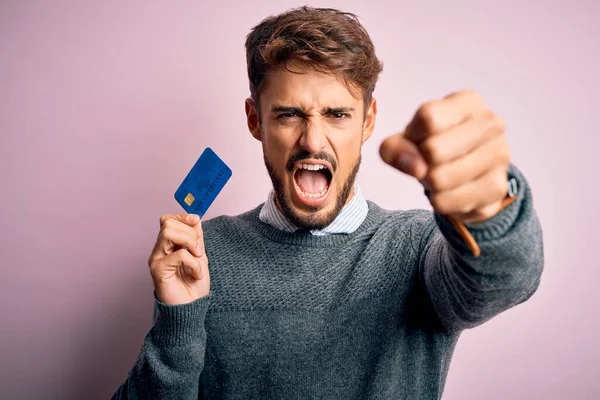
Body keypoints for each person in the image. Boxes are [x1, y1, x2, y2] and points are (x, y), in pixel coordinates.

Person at [112, 6, 544, 399]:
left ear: (368, 120)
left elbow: (504, 280)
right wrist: (178, 321)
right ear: (254, 120)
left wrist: (489, 209)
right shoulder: (204, 255)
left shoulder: (416, 247)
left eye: (337, 114)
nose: (313, 141)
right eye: (289, 114)